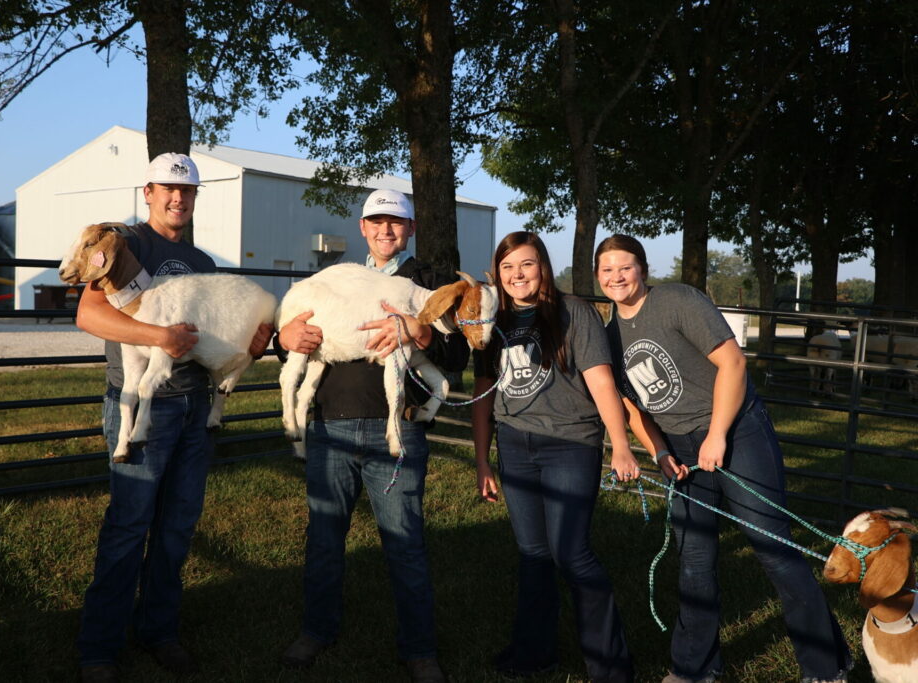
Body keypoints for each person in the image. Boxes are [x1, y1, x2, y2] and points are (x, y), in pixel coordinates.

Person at [594, 234, 852, 683]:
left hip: (736, 430)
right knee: (693, 562)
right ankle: (694, 668)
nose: (616, 277)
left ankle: (826, 667)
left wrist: (717, 436)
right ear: (598, 277)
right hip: (679, 447)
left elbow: (733, 364)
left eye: (625, 267)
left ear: (642, 269)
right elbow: (632, 407)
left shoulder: (677, 301)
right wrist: (659, 451)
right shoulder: (610, 333)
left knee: (774, 550)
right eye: (607, 270)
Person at [75, 153, 273, 682]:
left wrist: (253, 341)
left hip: (193, 404)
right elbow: (89, 314)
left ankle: (158, 630)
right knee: (128, 524)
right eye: (167, 189)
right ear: (149, 192)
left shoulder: (204, 263)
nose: (176, 198)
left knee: (176, 527)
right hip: (142, 405)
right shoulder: (128, 246)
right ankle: (100, 647)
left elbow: (216, 333)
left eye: (186, 191)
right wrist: (158, 337)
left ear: (195, 197)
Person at [277, 189, 469, 683]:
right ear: (363, 228)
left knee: (404, 540)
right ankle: (317, 630)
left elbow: (458, 360)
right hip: (331, 424)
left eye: (397, 223)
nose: (387, 231)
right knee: (323, 537)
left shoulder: (431, 283)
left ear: (411, 229)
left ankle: (419, 647)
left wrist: (420, 332)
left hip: (397, 429)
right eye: (377, 222)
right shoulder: (334, 280)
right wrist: (285, 341)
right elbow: (296, 345)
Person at [470, 231, 638, 682]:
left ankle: (610, 666)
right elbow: (483, 391)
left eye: (526, 264)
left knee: (572, 553)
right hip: (514, 446)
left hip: (569, 444)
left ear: (542, 266)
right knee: (533, 553)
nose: (516, 275)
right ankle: (534, 653)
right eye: (507, 267)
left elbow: (602, 382)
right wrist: (483, 459)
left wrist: (619, 445)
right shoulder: (492, 319)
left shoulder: (573, 312)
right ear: (497, 273)